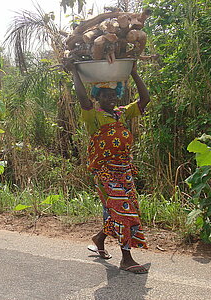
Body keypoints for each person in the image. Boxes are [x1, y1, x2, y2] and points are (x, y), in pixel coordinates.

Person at [65, 59, 150, 274]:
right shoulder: (93, 115)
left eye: (113, 95)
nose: (110, 98)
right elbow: (82, 98)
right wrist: (75, 71)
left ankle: (99, 238)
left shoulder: (122, 113)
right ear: (97, 97)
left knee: (120, 209)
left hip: (124, 170)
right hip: (104, 171)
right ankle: (126, 258)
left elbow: (145, 99)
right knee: (122, 209)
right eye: (105, 95)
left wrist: (133, 73)